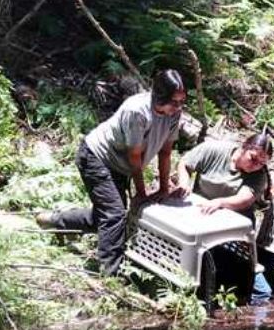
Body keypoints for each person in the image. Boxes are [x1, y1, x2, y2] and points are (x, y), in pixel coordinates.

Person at [38, 69, 187, 275]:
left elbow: (166, 152)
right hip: (96, 157)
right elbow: (134, 157)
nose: (178, 107)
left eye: (182, 102)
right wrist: (141, 193)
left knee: (108, 216)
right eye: (174, 102)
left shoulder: (174, 115)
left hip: (120, 164)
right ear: (160, 97)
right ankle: (110, 273)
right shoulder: (137, 112)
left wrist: (163, 189)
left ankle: (55, 221)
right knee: (114, 215)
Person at [174, 132, 274, 304]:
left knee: (262, 292)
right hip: (201, 222)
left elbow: (245, 199)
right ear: (244, 148)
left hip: (235, 235)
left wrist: (220, 202)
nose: (256, 165)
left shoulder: (259, 175)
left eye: (261, 163)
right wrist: (184, 183)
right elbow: (185, 163)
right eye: (253, 159)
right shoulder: (215, 150)